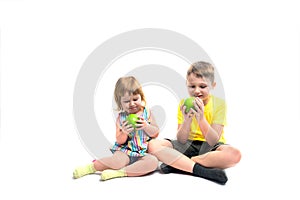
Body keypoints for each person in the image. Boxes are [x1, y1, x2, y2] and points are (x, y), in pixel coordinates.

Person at [148, 61, 241, 185]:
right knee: (153, 145)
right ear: (187, 85)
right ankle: (199, 170)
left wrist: (201, 119)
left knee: (235, 155)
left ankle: (179, 164)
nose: (197, 91)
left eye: (202, 86)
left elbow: (213, 140)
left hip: (211, 148)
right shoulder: (183, 104)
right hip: (188, 144)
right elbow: (181, 140)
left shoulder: (219, 105)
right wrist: (187, 120)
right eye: (192, 86)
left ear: (212, 85)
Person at [73, 76, 159, 181]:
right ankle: (92, 167)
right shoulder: (121, 118)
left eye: (135, 99)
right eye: (127, 101)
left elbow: (155, 133)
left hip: (142, 152)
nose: (132, 104)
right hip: (124, 150)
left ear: (141, 97)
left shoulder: (147, 113)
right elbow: (119, 140)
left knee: (153, 162)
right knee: (118, 162)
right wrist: (124, 132)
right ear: (120, 102)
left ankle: (119, 173)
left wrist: (146, 126)